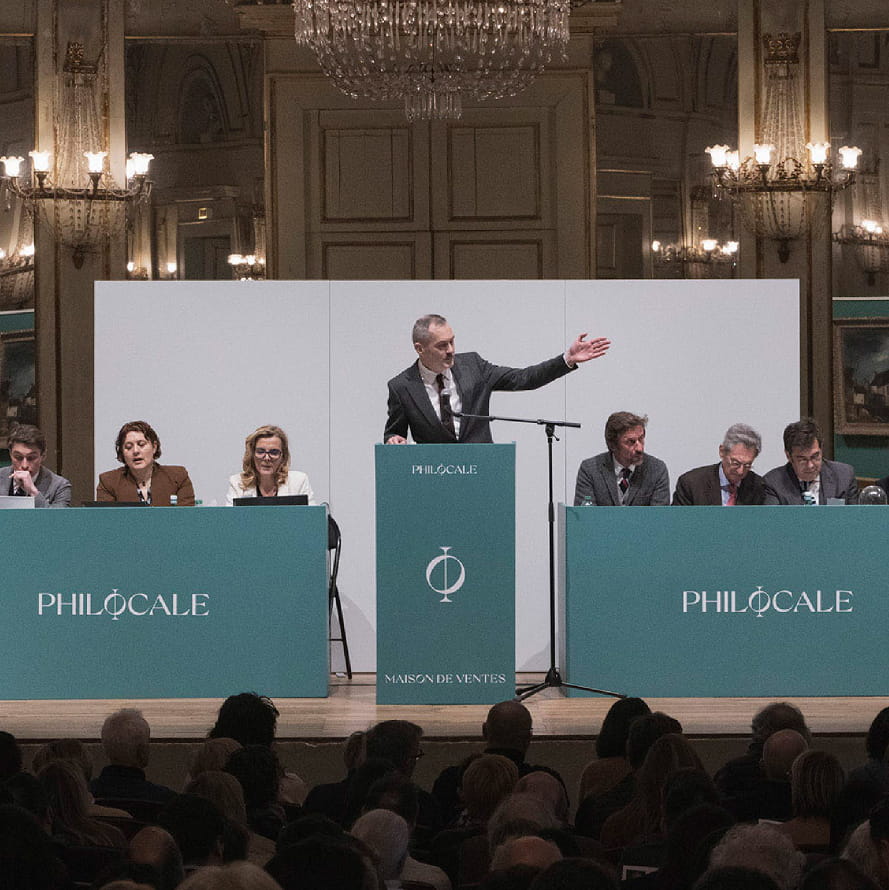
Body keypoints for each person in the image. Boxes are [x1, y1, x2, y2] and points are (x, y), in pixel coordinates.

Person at [384, 314, 610, 444]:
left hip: (483, 471)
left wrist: (567, 359)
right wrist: (393, 439)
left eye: (452, 341)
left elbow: (523, 378)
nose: (451, 350)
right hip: (433, 478)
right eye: (442, 345)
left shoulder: (473, 366)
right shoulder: (401, 387)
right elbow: (394, 432)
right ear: (420, 348)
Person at [573, 412, 669, 506]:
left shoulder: (656, 470)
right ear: (613, 445)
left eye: (641, 439)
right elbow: (585, 514)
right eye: (631, 442)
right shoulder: (590, 470)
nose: (640, 448)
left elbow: (659, 515)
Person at [96, 420, 195, 505]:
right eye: (128, 447)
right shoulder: (108, 482)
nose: (135, 451)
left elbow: (187, 517)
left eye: (141, 444)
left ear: (154, 447)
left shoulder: (178, 477)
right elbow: (106, 519)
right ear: (122, 452)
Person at [762, 419, 858, 505]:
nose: (810, 465)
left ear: (821, 449)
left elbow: (853, 517)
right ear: (788, 456)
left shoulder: (844, 476)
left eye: (815, 457)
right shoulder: (773, 483)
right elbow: (774, 519)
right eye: (802, 459)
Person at [672, 423, 766, 506]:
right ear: (722, 452)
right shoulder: (691, 484)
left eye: (747, 465)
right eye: (736, 463)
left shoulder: (758, 486)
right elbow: (678, 519)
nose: (740, 471)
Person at [226, 425, 316, 505]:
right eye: (260, 451)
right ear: (252, 454)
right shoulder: (237, 483)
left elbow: (311, 517)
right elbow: (230, 518)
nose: (267, 458)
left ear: (283, 456)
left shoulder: (299, 482)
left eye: (274, 452)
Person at [0, 423, 71, 507]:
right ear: (10, 454)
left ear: (43, 456)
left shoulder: (60, 486)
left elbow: (58, 515)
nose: (24, 465)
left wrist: (33, 492)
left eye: (31, 458)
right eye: (18, 457)